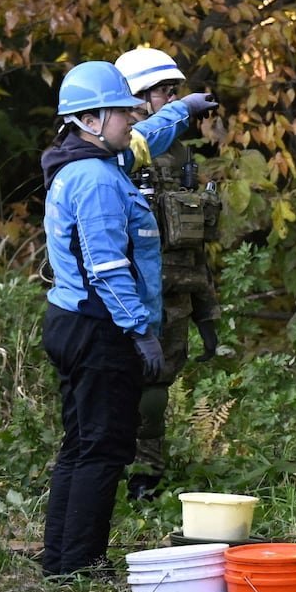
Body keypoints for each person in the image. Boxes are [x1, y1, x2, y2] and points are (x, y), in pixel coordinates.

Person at [40, 61, 214, 577]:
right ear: (91, 119)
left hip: (75, 321)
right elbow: (107, 265)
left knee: (82, 444)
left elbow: (145, 137)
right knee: (105, 447)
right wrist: (140, 329)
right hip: (99, 329)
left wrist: (180, 110)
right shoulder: (95, 180)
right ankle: (80, 563)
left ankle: (62, 559)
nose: (132, 117)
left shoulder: (89, 161)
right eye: (122, 111)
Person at [114, 47, 223, 500]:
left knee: (156, 389)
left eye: (176, 92)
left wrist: (207, 313)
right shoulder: (123, 148)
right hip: (127, 291)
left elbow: (192, 239)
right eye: (164, 91)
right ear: (137, 97)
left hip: (176, 290)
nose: (173, 99)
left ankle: (146, 475)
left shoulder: (177, 155)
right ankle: (111, 467)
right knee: (123, 387)